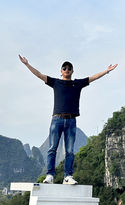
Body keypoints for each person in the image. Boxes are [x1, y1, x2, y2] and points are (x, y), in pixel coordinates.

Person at [19, 55, 118, 184]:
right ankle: (50, 175)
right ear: (61, 71)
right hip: (57, 120)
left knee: (70, 150)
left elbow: (93, 77)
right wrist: (27, 64)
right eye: (64, 68)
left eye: (69, 68)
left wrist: (106, 71)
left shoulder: (77, 84)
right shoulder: (55, 82)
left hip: (71, 121)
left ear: (72, 71)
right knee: (52, 148)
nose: (67, 70)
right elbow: (39, 75)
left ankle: (68, 176)